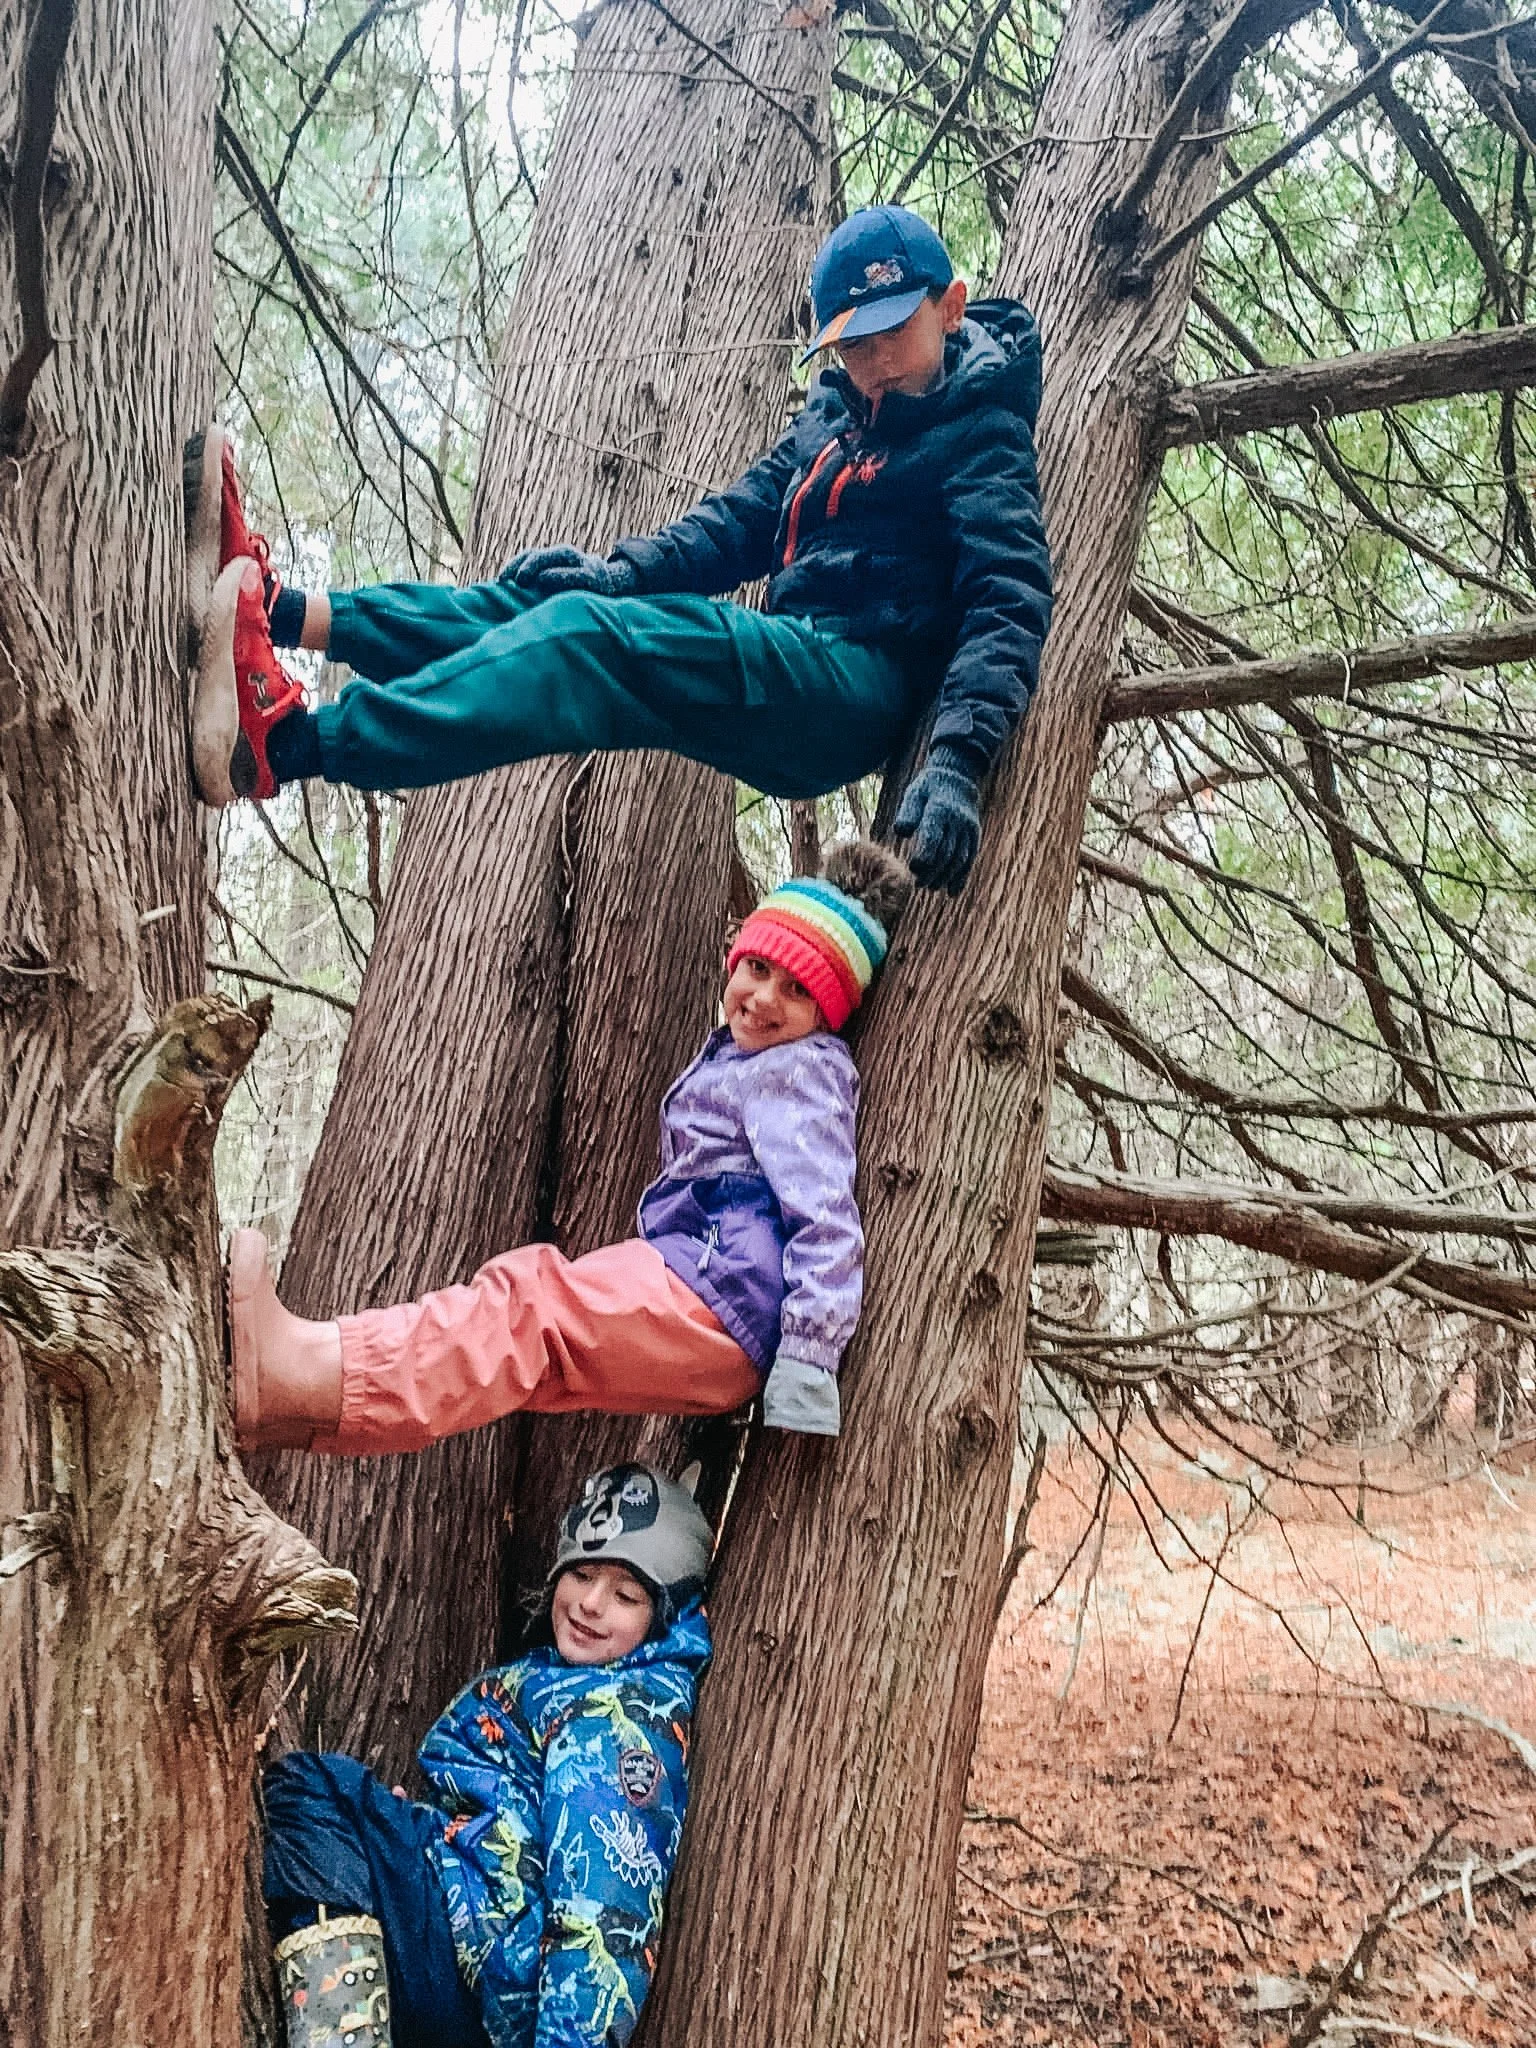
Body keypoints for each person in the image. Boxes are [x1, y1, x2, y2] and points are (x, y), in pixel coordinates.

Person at [188, 204, 1052, 894]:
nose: (873, 365)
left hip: (853, 688)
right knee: (547, 605)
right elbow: (735, 525)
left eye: (892, 334)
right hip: (794, 655)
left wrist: (956, 762)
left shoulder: (982, 428)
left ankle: (284, 748)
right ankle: (280, 613)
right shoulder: (833, 415)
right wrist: (618, 573)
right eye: (851, 345)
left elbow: (1007, 597)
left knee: (587, 644)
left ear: (951, 305)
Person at [231, 839, 912, 1446]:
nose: (764, 998)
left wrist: (810, 1358)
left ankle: (310, 1372)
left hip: (724, 1291)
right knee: (534, 1354)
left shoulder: (802, 1069)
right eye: (759, 968)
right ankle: (299, 1410)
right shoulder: (754, 1060)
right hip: (711, 1289)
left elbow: (823, 1212)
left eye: (798, 991)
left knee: (530, 1306)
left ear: (827, 1016)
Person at [262, 1463, 712, 2048]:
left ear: (664, 1617)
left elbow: (603, 1914)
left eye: (627, 1595)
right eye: (580, 1574)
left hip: (484, 1970)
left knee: (315, 1788)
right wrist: (434, 1826)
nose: (591, 1604)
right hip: (471, 1934)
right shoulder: (571, 1684)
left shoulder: (619, 1718)